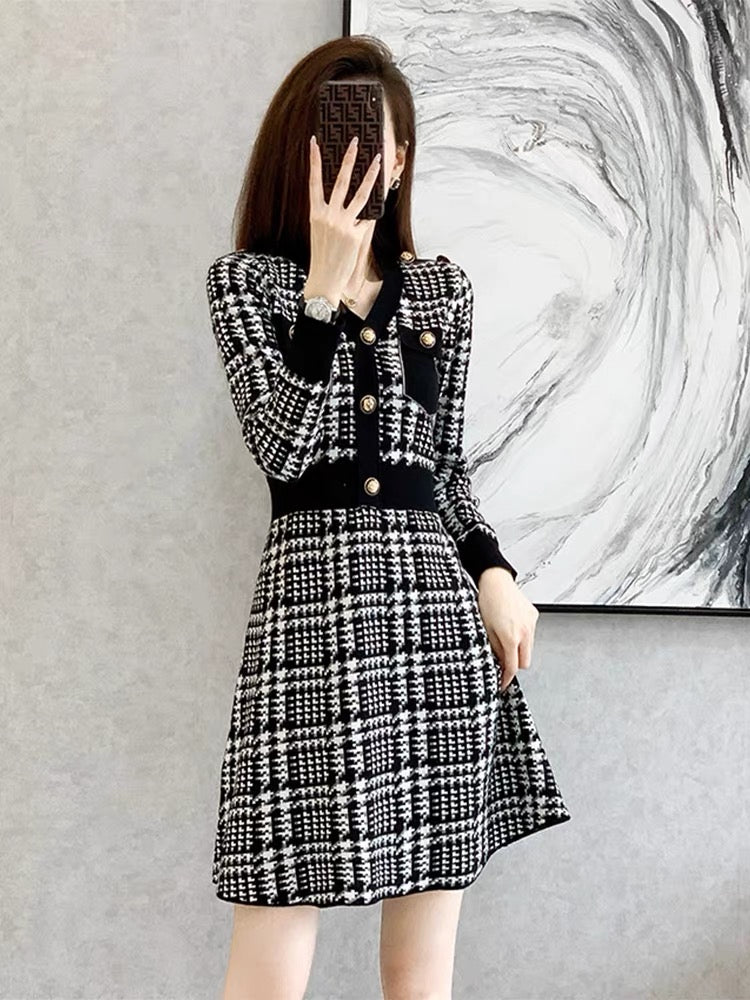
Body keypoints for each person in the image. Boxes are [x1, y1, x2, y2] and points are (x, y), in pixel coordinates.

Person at [205, 34, 571, 1000]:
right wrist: (321, 295)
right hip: (306, 633)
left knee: (419, 978)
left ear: (404, 159)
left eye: (384, 143)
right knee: (267, 964)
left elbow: (444, 466)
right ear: (301, 153)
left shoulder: (443, 292)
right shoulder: (245, 286)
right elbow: (281, 447)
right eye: (341, 140)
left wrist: (495, 571)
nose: (366, 161)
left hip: (432, 636)